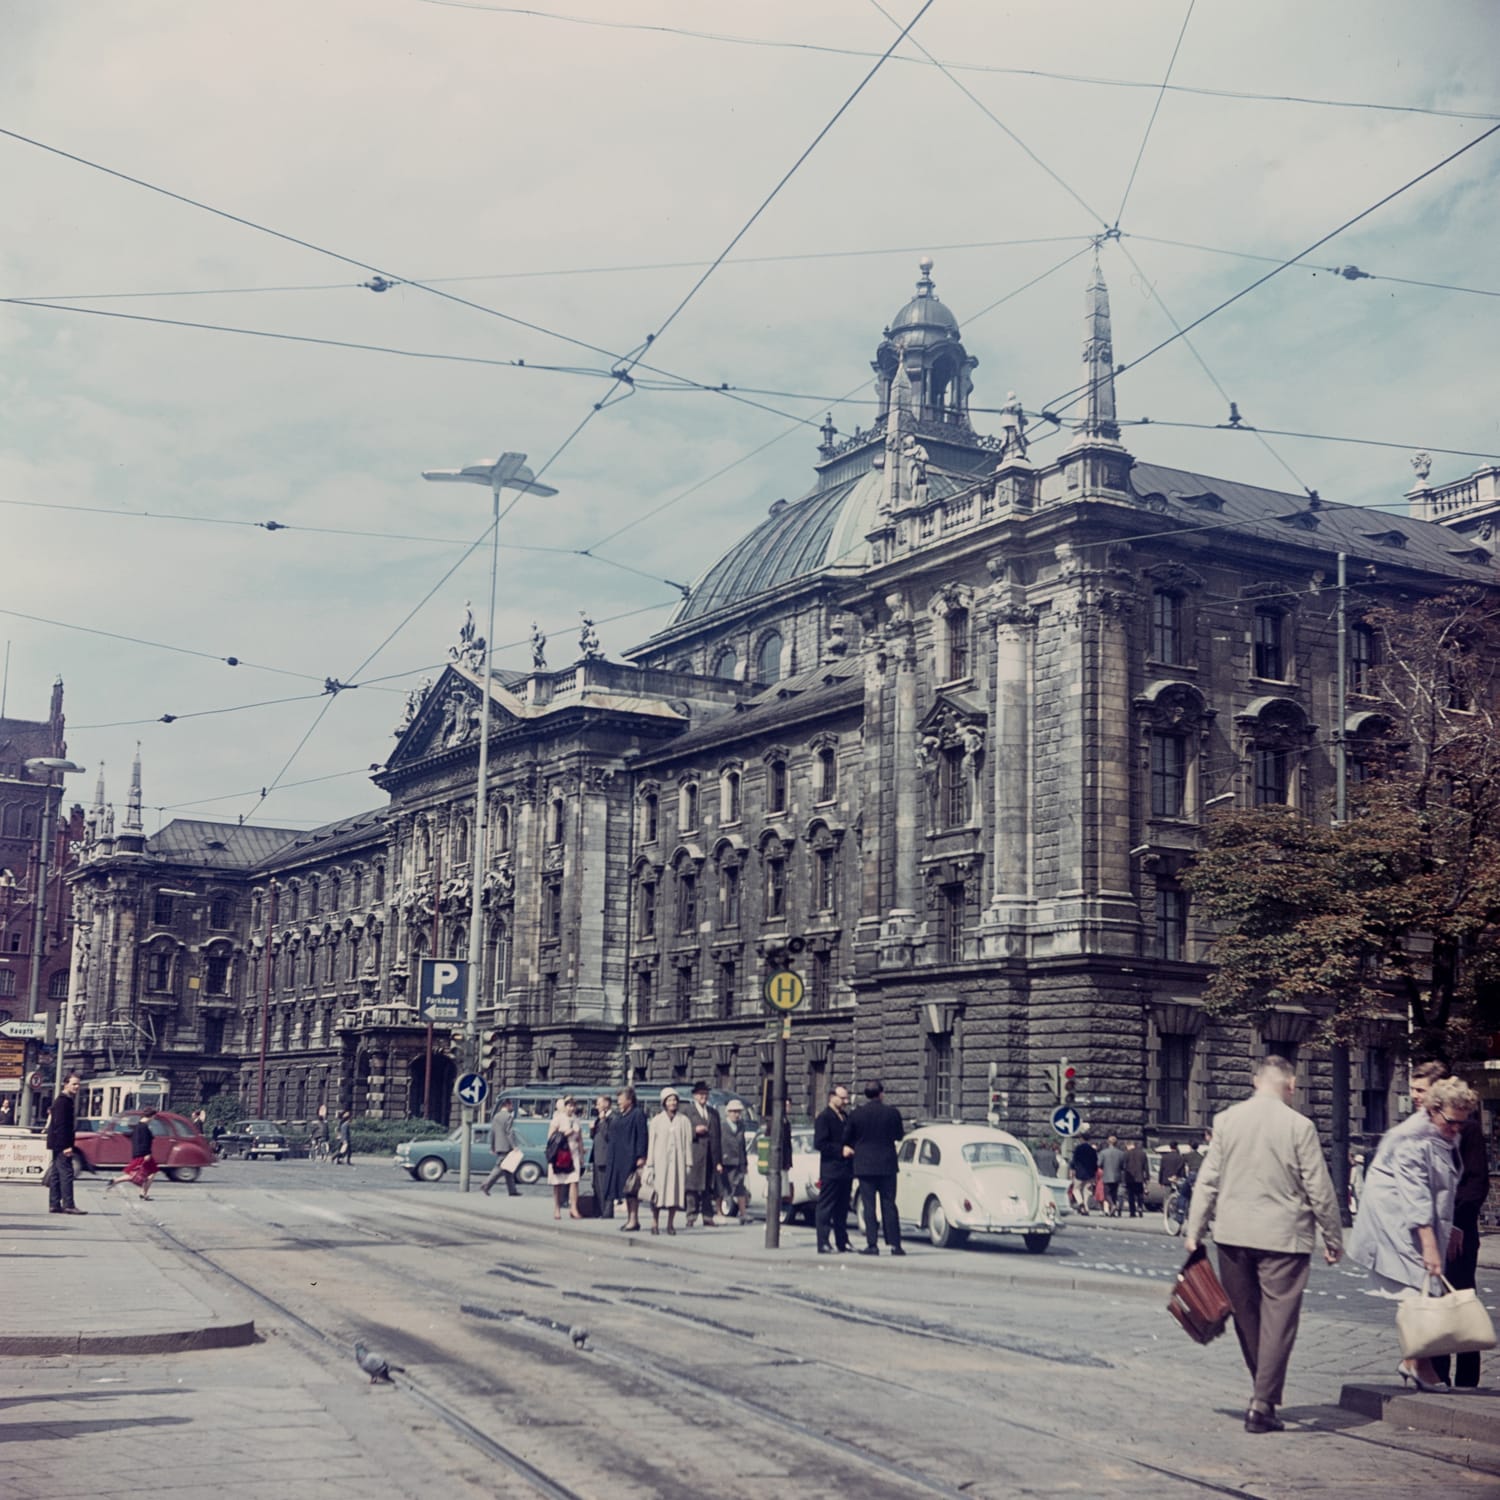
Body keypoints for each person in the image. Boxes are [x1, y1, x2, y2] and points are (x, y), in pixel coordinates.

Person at [1185, 1057, 1343, 1435]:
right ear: (1291, 1086)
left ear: (1255, 1082)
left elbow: (1207, 1180)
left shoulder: (1226, 1120)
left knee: (1247, 1318)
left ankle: (1263, 1392)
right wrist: (1333, 1237)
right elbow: (1319, 1188)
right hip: (1284, 1239)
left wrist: (1194, 1230)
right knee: (1279, 1322)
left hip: (1232, 1236)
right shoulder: (1299, 1126)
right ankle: (1262, 1402)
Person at [1346, 1075, 1479, 1392]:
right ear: (1433, 1110)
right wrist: (1431, 1246)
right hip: (1398, 1223)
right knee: (1419, 1289)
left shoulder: (1441, 1133)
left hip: (1417, 1222)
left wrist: (1450, 1228)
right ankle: (1418, 1364)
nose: (1456, 1129)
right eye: (1451, 1121)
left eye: (1461, 1123)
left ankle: (1416, 1363)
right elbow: (1416, 1196)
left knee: (1422, 1291)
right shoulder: (1411, 1140)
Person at [843, 1080, 904, 1256]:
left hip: (865, 1165)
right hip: (887, 1164)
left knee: (868, 1206)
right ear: (881, 1094)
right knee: (889, 1204)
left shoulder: (857, 1114)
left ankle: (872, 1244)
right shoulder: (892, 1113)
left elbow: (847, 1137)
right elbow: (898, 1135)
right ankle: (895, 1245)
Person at [600, 1086, 648, 1231]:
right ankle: (630, 1219)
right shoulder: (619, 1115)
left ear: (630, 1100)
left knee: (631, 1190)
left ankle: (633, 1220)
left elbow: (642, 1136)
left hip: (631, 1157)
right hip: (617, 1158)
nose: (618, 1102)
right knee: (624, 1190)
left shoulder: (637, 1114)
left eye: (621, 1099)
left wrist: (641, 1156)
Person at [645, 1086, 692, 1235]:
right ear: (664, 1103)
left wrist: (688, 1163)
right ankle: (655, 1223)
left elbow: (688, 1143)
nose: (672, 1103)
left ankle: (670, 1224)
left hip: (677, 1163)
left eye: (674, 1100)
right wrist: (650, 1164)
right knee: (658, 1194)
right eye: (669, 1100)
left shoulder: (684, 1121)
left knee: (675, 1194)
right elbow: (651, 1143)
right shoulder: (657, 1121)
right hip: (660, 1163)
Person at [814, 1084, 854, 1254]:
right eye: (842, 1098)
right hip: (831, 1169)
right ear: (832, 1097)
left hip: (845, 1170)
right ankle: (823, 1242)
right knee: (826, 1207)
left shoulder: (844, 1116)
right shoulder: (824, 1117)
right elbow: (820, 1143)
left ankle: (842, 1241)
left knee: (842, 1207)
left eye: (847, 1098)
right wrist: (840, 1150)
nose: (846, 1101)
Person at [46, 1072, 87, 1216]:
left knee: (57, 1174)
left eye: (78, 1084)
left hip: (56, 1142)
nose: (77, 1087)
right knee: (67, 1173)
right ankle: (69, 1205)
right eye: (74, 1084)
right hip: (62, 1143)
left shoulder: (62, 1100)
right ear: (66, 1084)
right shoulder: (64, 1101)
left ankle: (54, 1203)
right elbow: (62, 1125)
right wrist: (66, 1146)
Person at [682, 1081, 721, 1227]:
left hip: (710, 1157)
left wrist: (718, 1161)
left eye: (705, 1094)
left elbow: (718, 1137)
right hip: (694, 1154)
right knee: (692, 1188)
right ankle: (691, 1216)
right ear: (695, 1096)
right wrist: (694, 1131)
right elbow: (682, 1132)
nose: (703, 1097)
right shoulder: (687, 1111)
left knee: (707, 1188)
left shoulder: (713, 1113)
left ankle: (707, 1216)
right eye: (700, 1094)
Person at [106, 1106, 161, 1200]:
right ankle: (116, 1181)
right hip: (143, 1154)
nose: (154, 1119)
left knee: (149, 1172)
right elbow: (144, 1142)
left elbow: (133, 1137)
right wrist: (147, 1154)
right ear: (151, 1116)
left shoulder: (138, 1126)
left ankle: (143, 1193)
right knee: (135, 1174)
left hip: (139, 1153)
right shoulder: (144, 1128)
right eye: (154, 1116)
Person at [547, 1096, 584, 1220]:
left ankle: (573, 1208)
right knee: (557, 1182)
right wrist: (563, 1134)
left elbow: (580, 1139)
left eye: (573, 1106)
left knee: (574, 1181)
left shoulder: (577, 1120)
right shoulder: (558, 1119)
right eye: (569, 1105)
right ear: (565, 1106)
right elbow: (550, 1137)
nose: (571, 1108)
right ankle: (557, 1209)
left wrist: (581, 1154)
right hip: (560, 1154)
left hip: (573, 1154)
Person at [480, 1097, 522, 1197]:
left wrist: (492, 1146)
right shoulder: (508, 1117)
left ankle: (512, 1191)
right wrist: (514, 1146)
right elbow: (509, 1133)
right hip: (506, 1146)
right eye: (511, 1105)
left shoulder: (496, 1116)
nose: (512, 1107)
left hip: (498, 1146)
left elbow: (493, 1133)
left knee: (508, 1169)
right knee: (500, 1167)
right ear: (507, 1105)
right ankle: (485, 1184)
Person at [718, 1099, 750, 1224]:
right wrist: (718, 1162)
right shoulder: (722, 1126)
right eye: (734, 1112)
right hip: (726, 1161)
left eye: (738, 1112)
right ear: (728, 1113)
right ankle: (719, 1212)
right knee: (722, 1188)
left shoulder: (741, 1125)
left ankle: (743, 1213)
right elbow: (718, 1145)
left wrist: (745, 1163)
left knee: (740, 1188)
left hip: (739, 1162)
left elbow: (742, 1146)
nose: (737, 1114)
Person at [589, 1094, 614, 1218]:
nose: (597, 1106)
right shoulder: (600, 1118)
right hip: (597, 1156)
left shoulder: (613, 1118)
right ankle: (599, 1210)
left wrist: (603, 1120)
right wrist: (592, 1129)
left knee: (604, 1185)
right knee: (597, 1185)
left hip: (605, 1156)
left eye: (599, 1103)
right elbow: (595, 1136)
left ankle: (607, 1211)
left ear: (606, 1104)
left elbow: (608, 1136)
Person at [1069, 1132, 1098, 1216]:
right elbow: (1095, 1162)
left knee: (1076, 1189)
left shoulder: (1078, 1148)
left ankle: (1080, 1203)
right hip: (1090, 1173)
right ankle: (1086, 1208)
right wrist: (1094, 1171)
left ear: (1081, 1139)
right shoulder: (1092, 1150)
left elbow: (1074, 1160)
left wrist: (1072, 1169)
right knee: (1087, 1191)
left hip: (1079, 1173)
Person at [1121, 1138, 1150, 1218]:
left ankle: (1132, 1211)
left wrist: (1123, 1178)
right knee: (1140, 1194)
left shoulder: (1126, 1154)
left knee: (1131, 1195)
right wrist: (1147, 1177)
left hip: (1129, 1178)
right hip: (1140, 1177)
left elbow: (1124, 1167)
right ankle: (1140, 1207)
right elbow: (1146, 1167)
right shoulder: (1142, 1154)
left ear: (1128, 1145)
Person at [1098, 1133, 1125, 1217]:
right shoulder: (1121, 1153)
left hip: (1107, 1175)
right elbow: (1123, 1166)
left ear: (1108, 1142)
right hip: (1117, 1176)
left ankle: (1112, 1205)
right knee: (1114, 1193)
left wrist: (1104, 1167)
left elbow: (1099, 1164)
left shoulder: (1103, 1152)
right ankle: (1112, 1211)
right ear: (1116, 1143)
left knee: (1106, 1194)